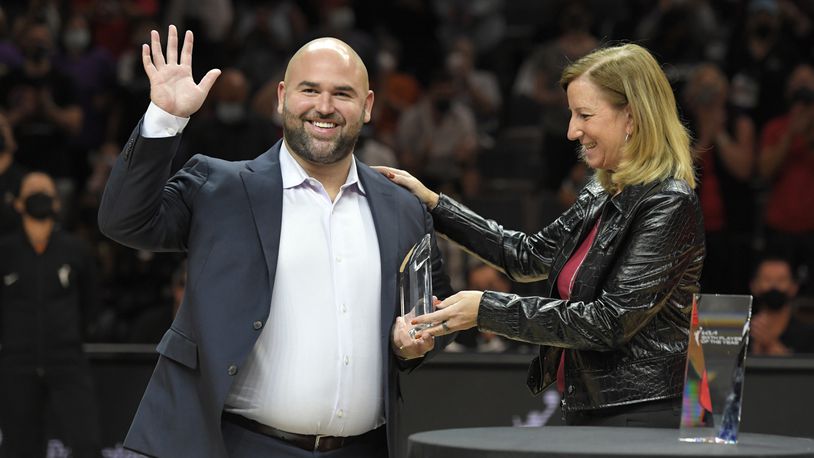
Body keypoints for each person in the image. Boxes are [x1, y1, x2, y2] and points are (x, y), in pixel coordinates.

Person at [97, 26, 451, 458]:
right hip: (238, 445)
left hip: (365, 448)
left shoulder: (403, 209)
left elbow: (433, 314)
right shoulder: (219, 187)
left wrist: (410, 345)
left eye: (342, 93)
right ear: (281, 96)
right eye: (310, 90)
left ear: (368, 106)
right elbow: (125, 221)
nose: (324, 107)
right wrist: (165, 118)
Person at [378, 43, 705, 427]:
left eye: (584, 115)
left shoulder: (669, 202)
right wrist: (434, 203)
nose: (571, 131)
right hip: (590, 407)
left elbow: (608, 322)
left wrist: (485, 310)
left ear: (631, 117)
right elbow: (525, 256)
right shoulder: (600, 191)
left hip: (645, 414)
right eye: (571, 115)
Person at [0, 171, 102, 457]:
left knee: (86, 443)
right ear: (18, 203)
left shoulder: (75, 249)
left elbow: (91, 302)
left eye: (46, 192)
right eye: (32, 191)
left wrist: (70, 336)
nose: (40, 197)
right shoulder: (5, 252)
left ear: (57, 204)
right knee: (19, 447)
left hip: (67, 358)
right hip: (17, 361)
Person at [749, 255, 814, 355]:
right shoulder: (740, 334)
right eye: (767, 279)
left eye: (781, 280)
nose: (774, 286)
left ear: (794, 287)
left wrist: (771, 346)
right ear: (754, 285)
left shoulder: (809, 336)